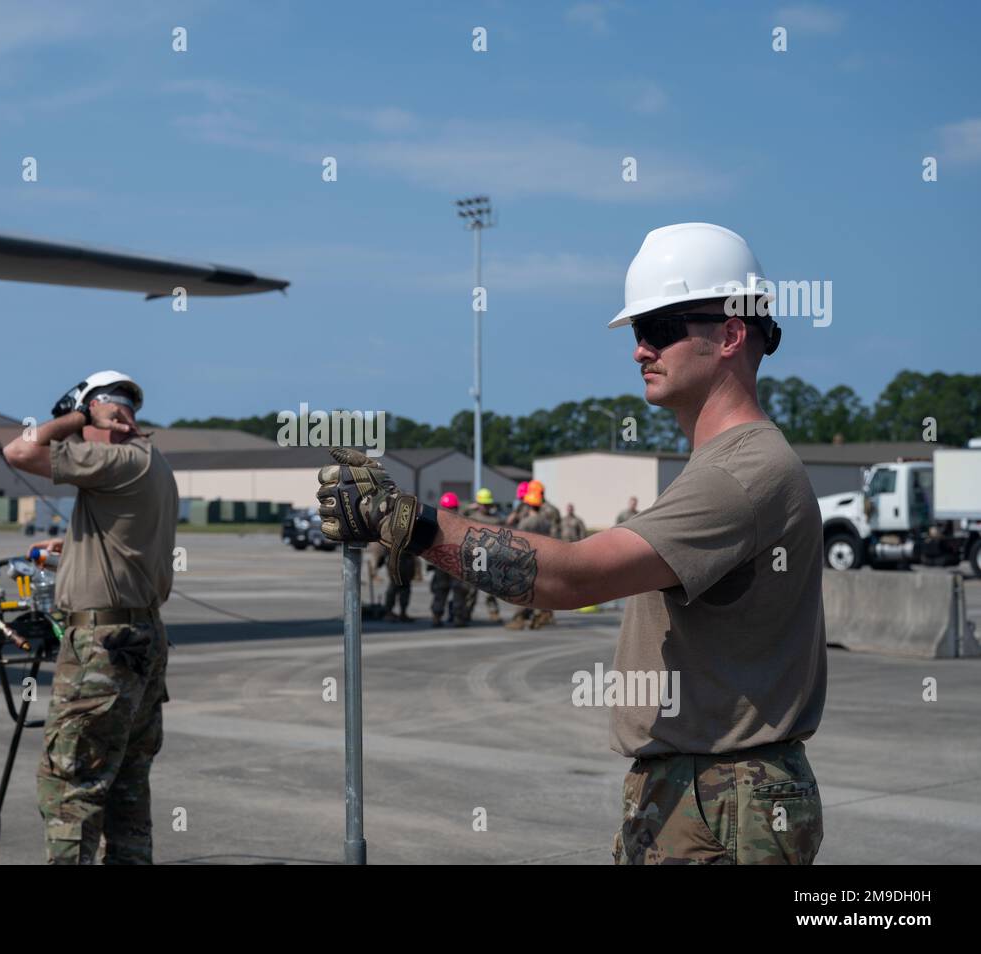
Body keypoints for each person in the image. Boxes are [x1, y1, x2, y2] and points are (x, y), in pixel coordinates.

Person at [314, 223, 826, 865]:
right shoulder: (721, 465)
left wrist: (411, 525)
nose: (640, 350)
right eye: (638, 332)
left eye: (661, 328)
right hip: (704, 789)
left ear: (729, 333)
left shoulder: (741, 473)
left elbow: (575, 578)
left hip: (723, 796)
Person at [4, 369, 178, 865]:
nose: (78, 436)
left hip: (102, 648)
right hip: (139, 638)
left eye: (83, 426)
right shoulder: (151, 464)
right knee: (125, 783)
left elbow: (19, 451)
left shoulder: (120, 457)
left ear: (108, 414)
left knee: (70, 785)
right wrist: (74, 546)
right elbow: (130, 545)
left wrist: (81, 415)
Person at [504, 485, 556, 630]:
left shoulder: (526, 522)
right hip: (542, 557)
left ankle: (519, 619)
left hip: (526, 558)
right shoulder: (546, 521)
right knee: (539, 587)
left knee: (522, 589)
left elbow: (517, 539)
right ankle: (542, 613)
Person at [428, 493, 471, 627]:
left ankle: (436, 616)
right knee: (458, 591)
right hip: (457, 562)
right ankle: (458, 618)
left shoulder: (436, 522)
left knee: (440, 590)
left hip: (441, 561)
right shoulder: (462, 522)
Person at [461, 488, 503, 623]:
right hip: (476, 557)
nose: (485, 506)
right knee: (471, 590)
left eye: (487, 504)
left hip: (488, 558)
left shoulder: (492, 519)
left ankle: (493, 613)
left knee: (490, 590)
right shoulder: (477, 518)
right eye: (483, 504)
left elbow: (459, 514)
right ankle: (466, 612)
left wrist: (469, 507)